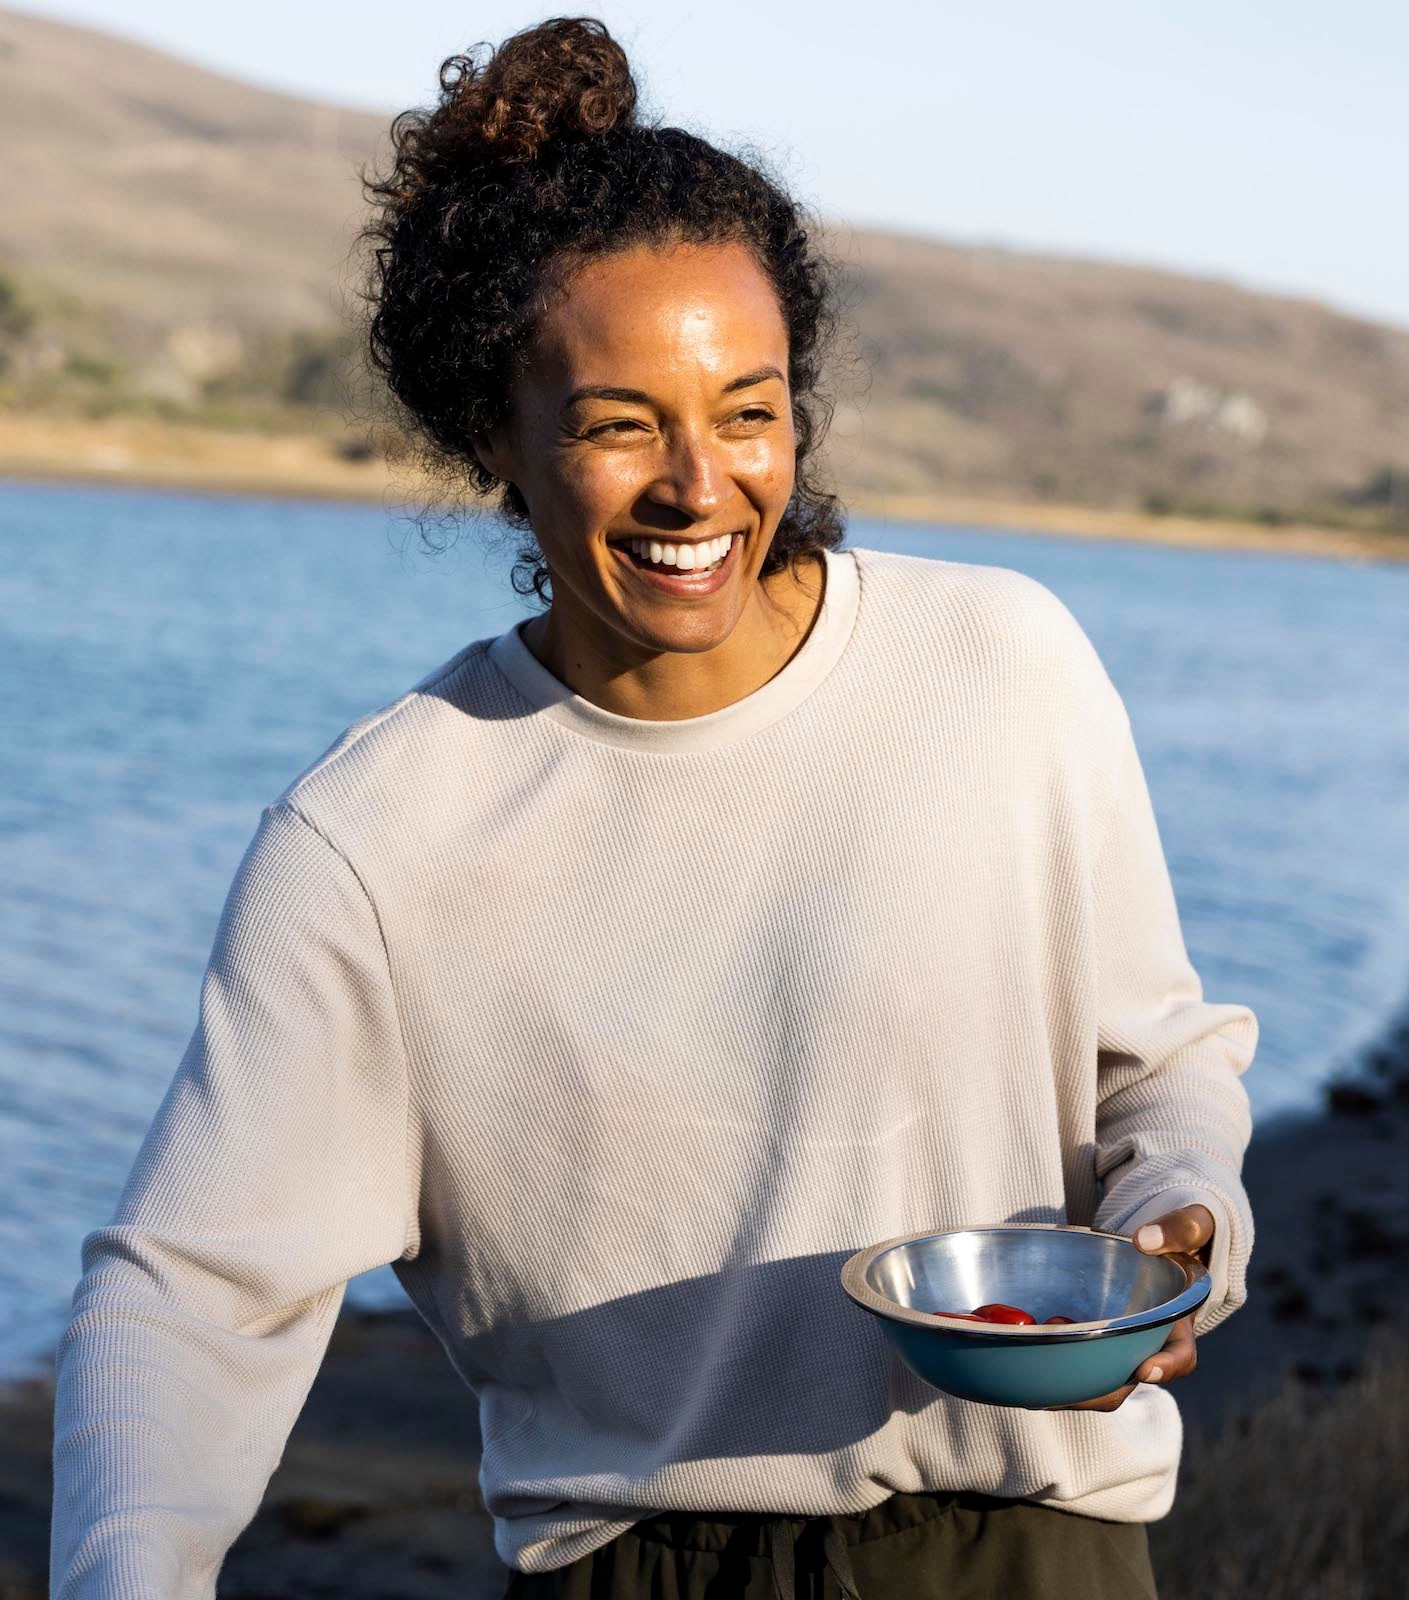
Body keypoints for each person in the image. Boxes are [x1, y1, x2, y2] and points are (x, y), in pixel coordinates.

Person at [48, 17, 1256, 1599]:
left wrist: (1178, 1228)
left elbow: (1157, 1066)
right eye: (621, 424)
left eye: (748, 410)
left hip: (1031, 1555)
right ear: (496, 434)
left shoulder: (999, 665)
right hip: (632, 1569)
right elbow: (194, 1289)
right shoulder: (378, 838)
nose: (700, 485)